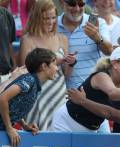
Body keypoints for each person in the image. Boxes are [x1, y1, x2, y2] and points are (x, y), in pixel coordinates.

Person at [50, 46, 120, 132]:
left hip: (93, 127)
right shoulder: (101, 75)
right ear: (115, 64)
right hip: (67, 121)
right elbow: (113, 93)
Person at [0, 48, 58, 147]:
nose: (57, 68)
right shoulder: (29, 80)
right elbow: (2, 99)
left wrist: (24, 125)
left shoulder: (34, 83)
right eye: (54, 64)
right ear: (43, 66)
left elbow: (14, 105)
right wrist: (9, 128)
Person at [18, 0, 75, 130]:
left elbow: (66, 74)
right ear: (37, 18)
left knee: (59, 132)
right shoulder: (28, 40)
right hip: (37, 95)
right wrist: (55, 62)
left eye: (53, 17)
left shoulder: (62, 39)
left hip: (59, 95)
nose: (51, 22)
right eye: (46, 18)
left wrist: (71, 62)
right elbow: (24, 72)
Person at [58, 0, 112, 89]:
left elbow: (109, 51)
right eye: (72, 4)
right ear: (61, 3)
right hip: (62, 94)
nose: (77, 8)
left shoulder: (98, 23)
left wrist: (97, 37)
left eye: (81, 4)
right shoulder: (52, 24)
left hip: (92, 91)